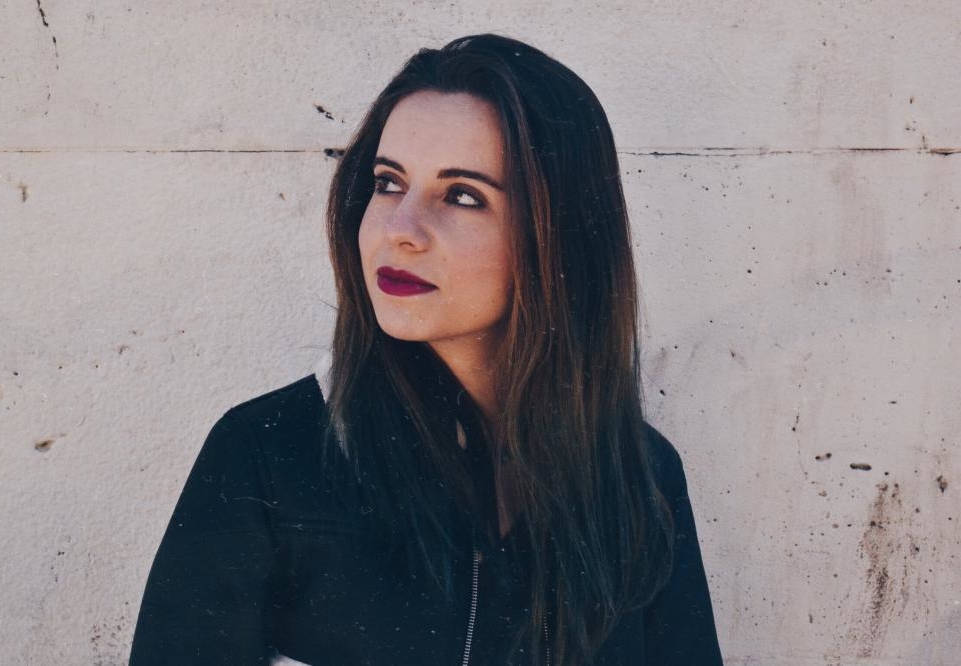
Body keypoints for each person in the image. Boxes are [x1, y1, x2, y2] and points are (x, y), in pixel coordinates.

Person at [129, 33, 723, 666]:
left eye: (462, 195)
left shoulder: (640, 477)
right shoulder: (266, 457)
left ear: (559, 236)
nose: (400, 230)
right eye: (388, 183)